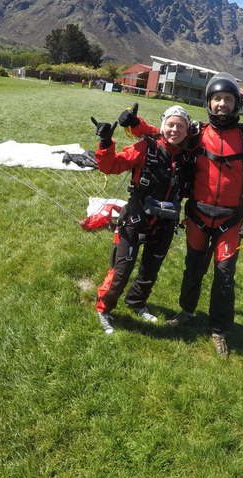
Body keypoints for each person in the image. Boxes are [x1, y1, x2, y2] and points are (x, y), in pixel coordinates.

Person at [121, 73, 243, 357]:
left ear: (236, 104)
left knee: (224, 276)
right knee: (192, 268)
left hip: (230, 222)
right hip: (197, 216)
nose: (221, 104)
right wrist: (135, 125)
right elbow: (165, 135)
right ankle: (187, 311)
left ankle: (218, 330)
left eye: (227, 100)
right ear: (209, 103)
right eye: (216, 99)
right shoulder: (195, 135)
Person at [91, 105, 195, 335]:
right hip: (134, 222)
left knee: (150, 271)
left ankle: (136, 302)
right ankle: (104, 309)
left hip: (164, 226)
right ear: (162, 125)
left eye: (180, 126)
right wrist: (106, 143)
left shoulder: (189, 157)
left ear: (187, 130)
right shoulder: (146, 147)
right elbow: (110, 166)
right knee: (122, 271)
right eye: (170, 124)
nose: (175, 130)